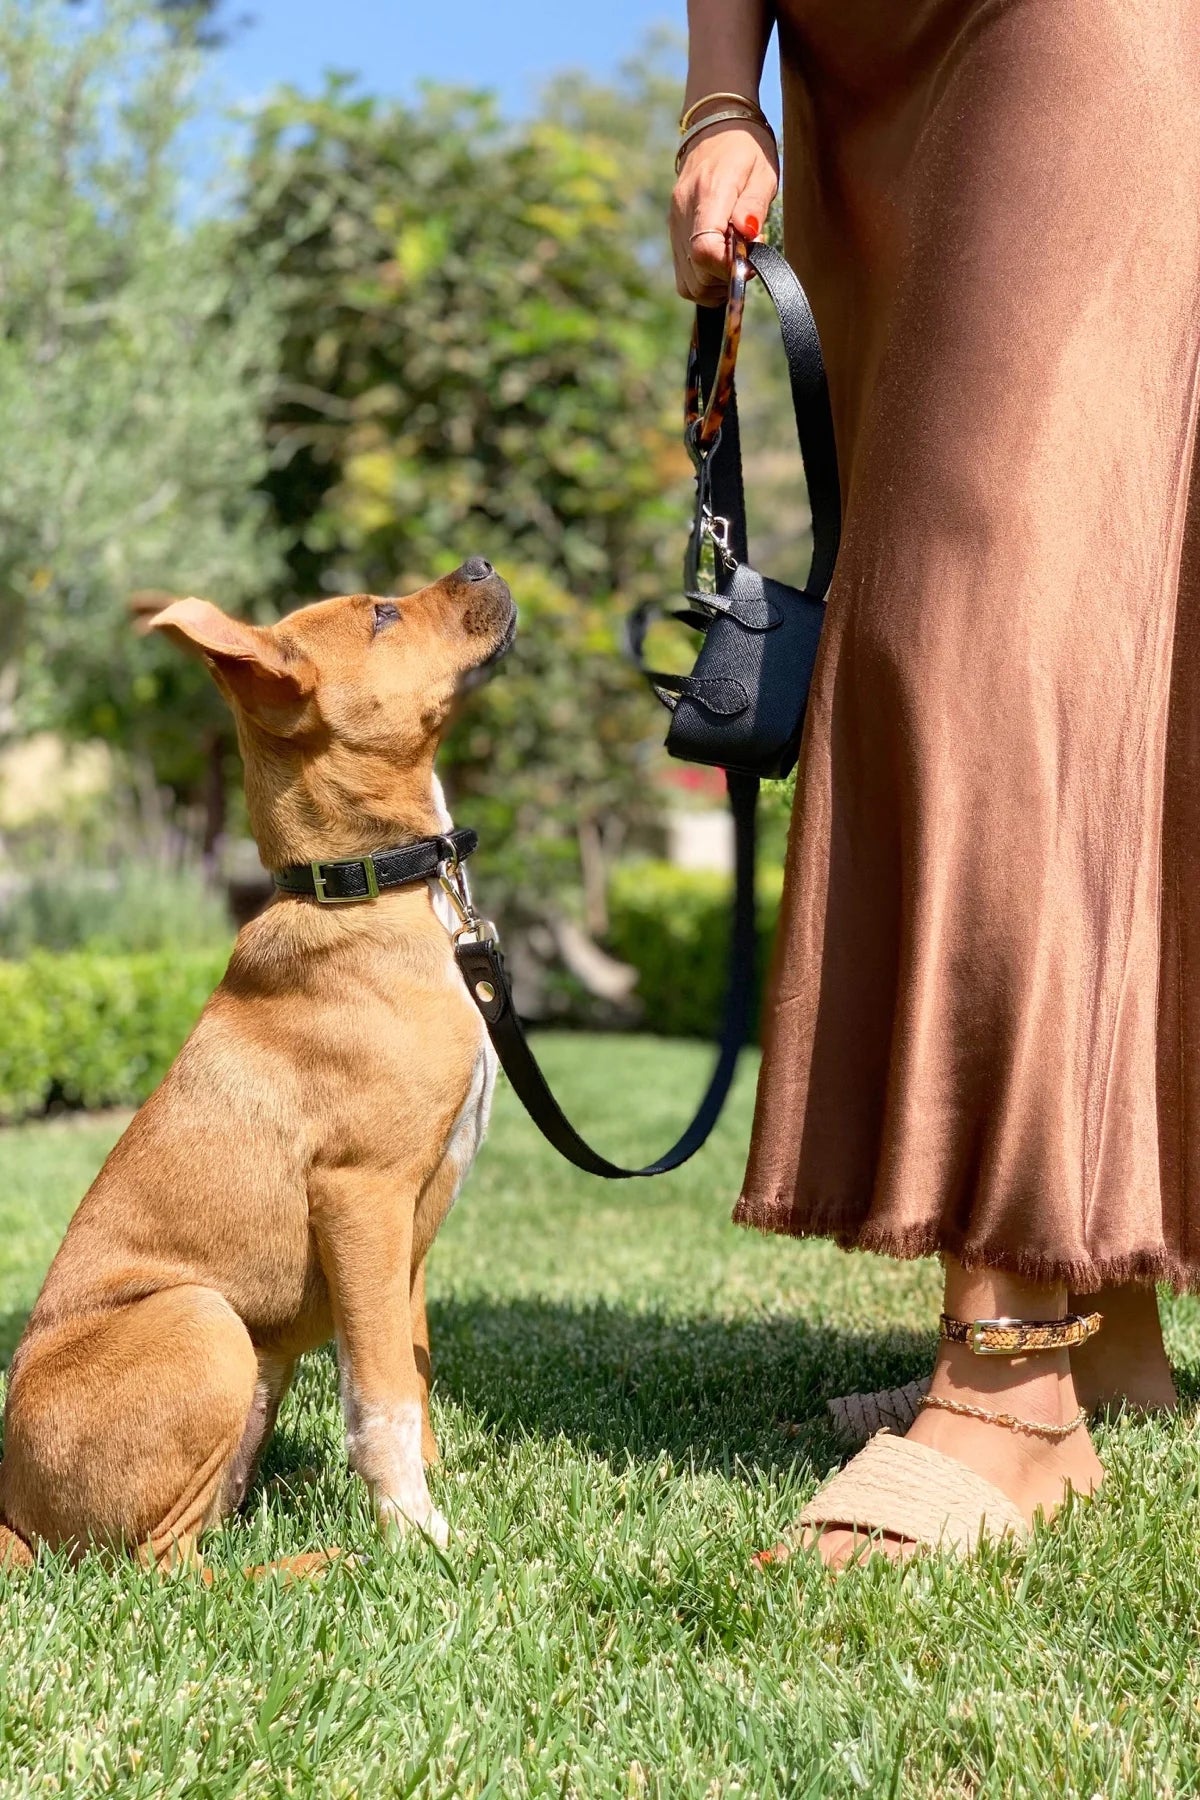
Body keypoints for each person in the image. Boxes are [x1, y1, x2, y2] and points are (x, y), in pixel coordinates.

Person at [670, 0, 1197, 1564]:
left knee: (986, 602)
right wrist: (721, 97)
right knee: (1063, 626)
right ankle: (1101, 1318)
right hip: (857, 71)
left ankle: (1013, 1385)